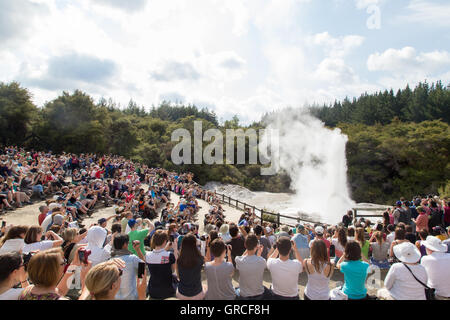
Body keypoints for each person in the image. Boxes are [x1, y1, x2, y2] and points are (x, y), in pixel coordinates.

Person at [19, 247, 88, 300]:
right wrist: (86, 282)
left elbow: (59, 291)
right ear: (52, 271)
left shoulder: (27, 291)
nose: (65, 265)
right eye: (63, 263)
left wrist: (74, 265)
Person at [111, 234, 146, 300]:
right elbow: (143, 268)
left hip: (114, 297)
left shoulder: (110, 261)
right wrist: (137, 249)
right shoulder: (132, 259)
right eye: (128, 243)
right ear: (125, 244)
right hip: (131, 297)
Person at [145, 229, 178, 299]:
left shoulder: (147, 255)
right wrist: (175, 249)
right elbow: (173, 270)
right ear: (165, 241)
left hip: (153, 290)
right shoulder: (169, 255)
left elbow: (159, 256)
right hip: (167, 291)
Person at [235, 233, 269, 300]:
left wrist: (248, 248)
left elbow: (242, 257)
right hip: (259, 295)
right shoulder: (262, 261)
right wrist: (259, 253)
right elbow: (257, 263)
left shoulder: (238, 260)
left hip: (243, 295)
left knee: (235, 289)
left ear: (245, 245)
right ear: (256, 246)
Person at [176, 233, 205, 300]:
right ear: (194, 244)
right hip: (197, 292)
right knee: (206, 286)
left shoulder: (179, 260)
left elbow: (178, 277)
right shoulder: (200, 259)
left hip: (181, 292)